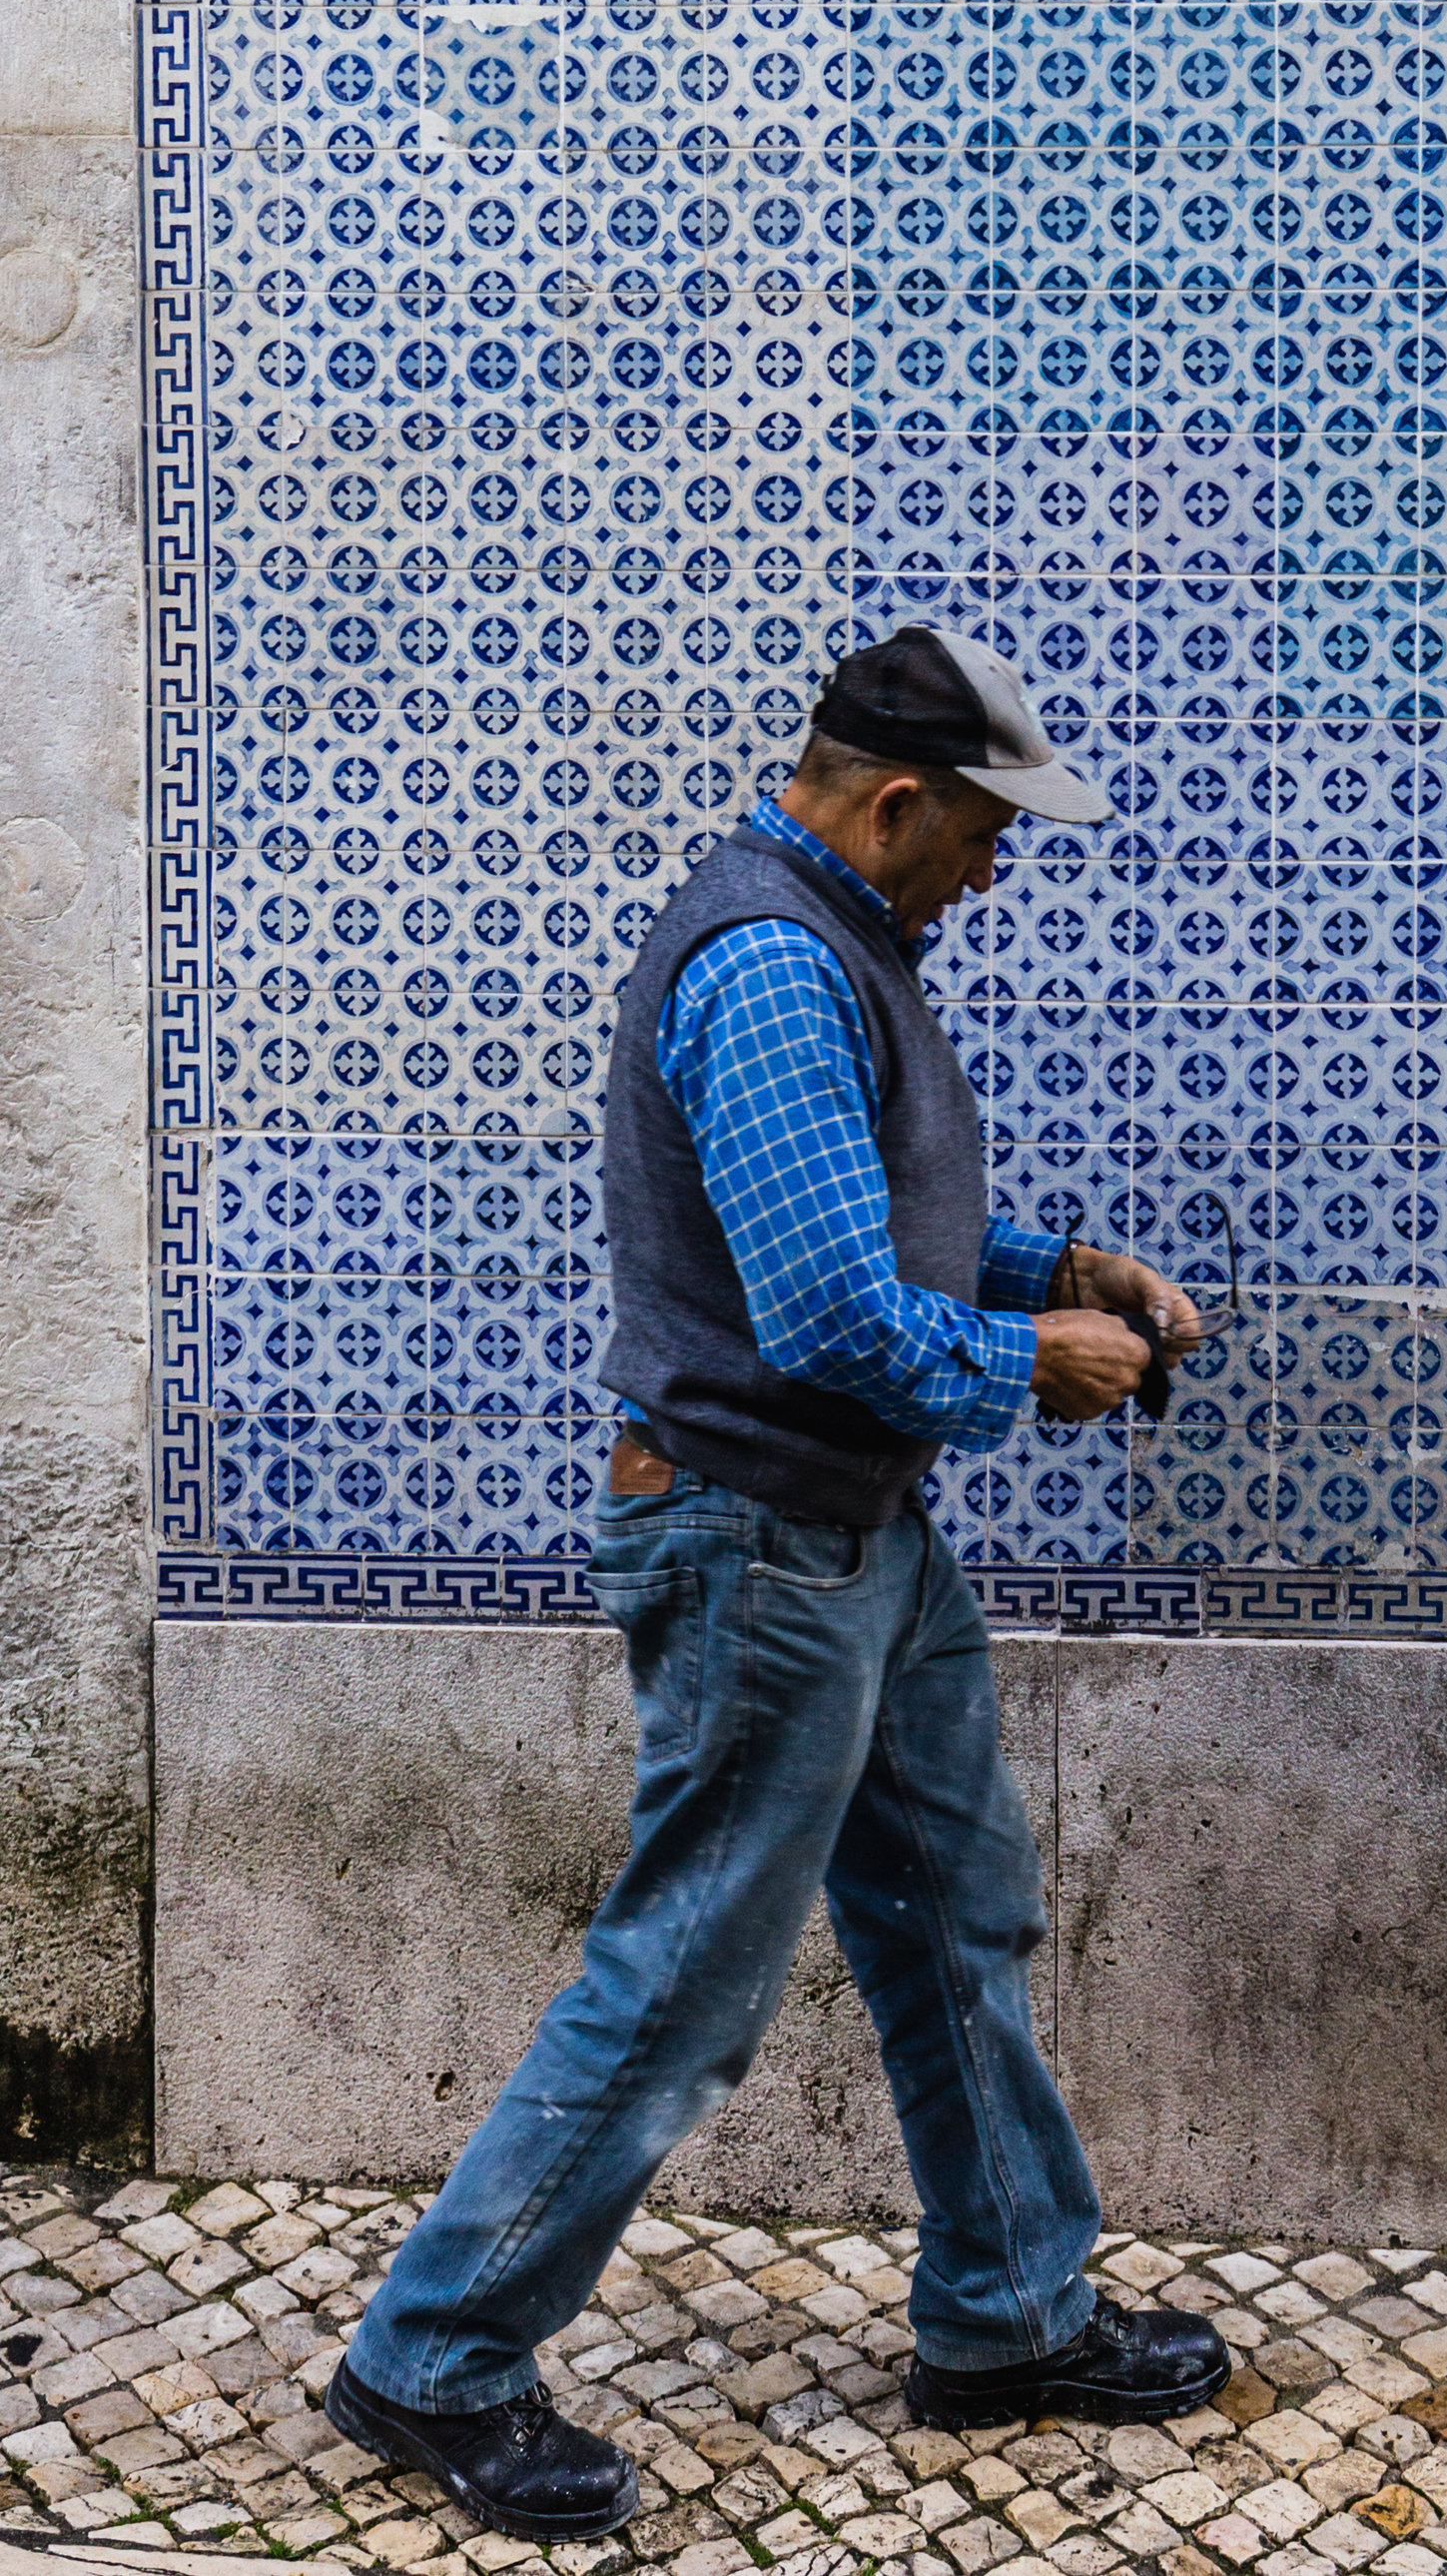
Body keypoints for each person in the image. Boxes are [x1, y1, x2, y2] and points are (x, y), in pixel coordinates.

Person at [324, 625, 1231, 2539]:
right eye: (982, 837)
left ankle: (1008, 2315)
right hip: (757, 1543)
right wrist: (1028, 1366)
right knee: (684, 1982)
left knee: (953, 1919)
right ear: (894, 801)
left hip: (855, 1540)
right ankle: (433, 2355)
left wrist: (1056, 1269)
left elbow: (863, 1230)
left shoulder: (838, 953)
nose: (992, 875)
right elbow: (822, 1311)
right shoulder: (766, 964)